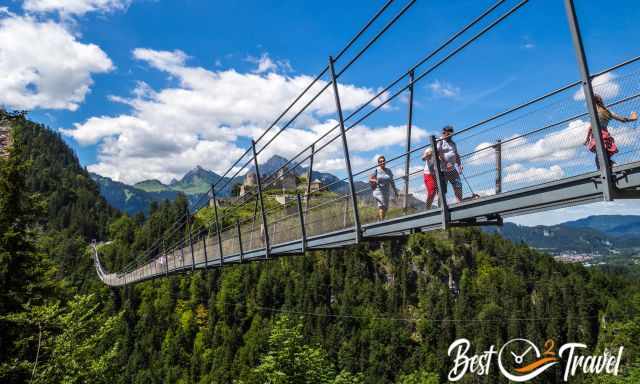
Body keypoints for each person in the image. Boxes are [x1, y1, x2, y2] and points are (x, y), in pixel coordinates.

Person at [584, 94, 637, 169]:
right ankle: (611, 165)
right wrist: (632, 118)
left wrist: (587, 139)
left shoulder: (594, 112)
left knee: (599, 158)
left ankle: (610, 167)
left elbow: (591, 127)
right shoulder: (607, 111)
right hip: (604, 134)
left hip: (597, 135)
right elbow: (622, 119)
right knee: (604, 155)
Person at [436, 125, 463, 203]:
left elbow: (456, 154)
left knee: (458, 185)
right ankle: (441, 208)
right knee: (442, 190)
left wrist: (459, 164)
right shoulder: (439, 141)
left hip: (452, 169)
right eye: (448, 134)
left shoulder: (453, 143)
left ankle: (459, 204)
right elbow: (437, 155)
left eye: (451, 134)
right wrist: (446, 162)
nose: (450, 136)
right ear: (444, 133)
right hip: (442, 170)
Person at [369, 155, 398, 220]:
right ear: (378, 163)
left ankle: (380, 219)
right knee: (381, 206)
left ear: (385, 162)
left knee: (385, 208)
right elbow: (370, 179)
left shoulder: (389, 171)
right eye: (380, 161)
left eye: (383, 161)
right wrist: (375, 180)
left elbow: (392, 181)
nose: (382, 162)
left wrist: (395, 191)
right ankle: (382, 222)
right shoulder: (376, 170)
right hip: (378, 191)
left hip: (386, 191)